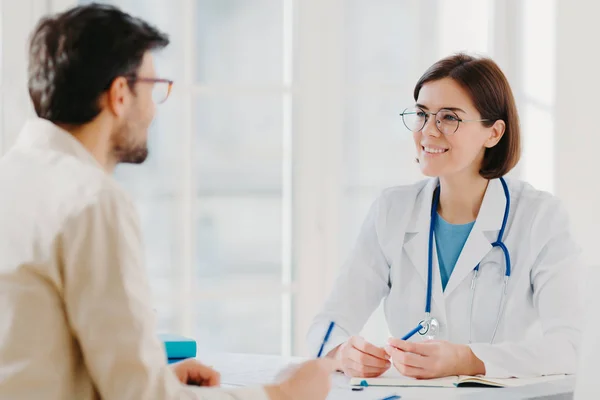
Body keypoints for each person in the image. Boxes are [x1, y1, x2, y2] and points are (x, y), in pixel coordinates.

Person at [0, 4, 337, 399]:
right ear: (120, 94)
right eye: (154, 87)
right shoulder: (91, 200)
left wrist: (155, 376)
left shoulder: (14, 176)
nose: (154, 111)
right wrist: (281, 395)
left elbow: (32, 356)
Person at [307, 53, 584, 379]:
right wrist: (344, 354)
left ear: (493, 133)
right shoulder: (392, 210)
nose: (428, 131)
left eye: (449, 118)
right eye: (422, 114)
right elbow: (326, 326)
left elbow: (572, 347)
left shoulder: (540, 218)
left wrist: (469, 360)